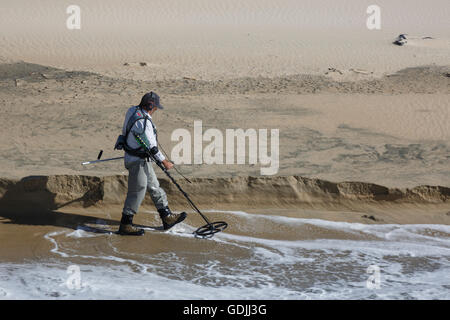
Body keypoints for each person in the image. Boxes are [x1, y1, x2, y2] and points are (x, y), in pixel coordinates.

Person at [115, 91, 186, 236]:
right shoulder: (144, 122)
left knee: (154, 186)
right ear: (150, 106)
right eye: (155, 108)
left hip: (140, 159)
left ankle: (167, 217)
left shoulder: (133, 110)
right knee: (137, 191)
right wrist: (164, 162)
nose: (156, 110)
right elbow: (152, 148)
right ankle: (125, 224)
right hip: (137, 161)